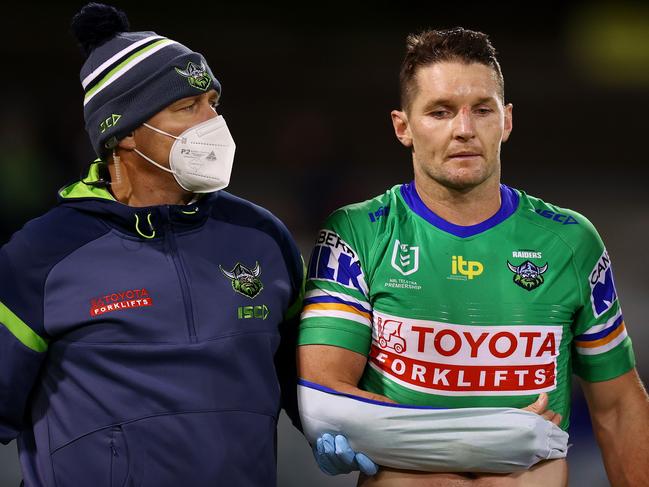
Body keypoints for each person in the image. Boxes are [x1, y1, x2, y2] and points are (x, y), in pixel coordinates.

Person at [297, 27, 649, 486]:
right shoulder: (359, 233)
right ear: (403, 126)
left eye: (481, 110)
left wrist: (400, 436)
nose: (464, 129)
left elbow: (619, 408)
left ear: (505, 121)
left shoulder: (571, 242)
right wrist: (507, 437)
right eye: (440, 112)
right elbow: (327, 397)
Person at [0, 4, 303, 486]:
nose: (214, 123)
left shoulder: (263, 238)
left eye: (214, 103)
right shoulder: (41, 256)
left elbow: (313, 390)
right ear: (121, 133)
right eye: (188, 107)